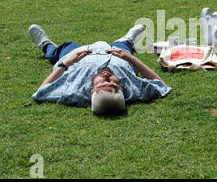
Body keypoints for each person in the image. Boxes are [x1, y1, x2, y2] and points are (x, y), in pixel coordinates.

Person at [29, 23, 171, 115]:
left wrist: (67, 63)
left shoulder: (72, 93)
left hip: (78, 55)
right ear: (122, 89)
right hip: (116, 54)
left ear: (91, 92)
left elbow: (41, 91)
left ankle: (45, 44)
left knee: (64, 47)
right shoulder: (133, 91)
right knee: (122, 46)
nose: (107, 77)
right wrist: (130, 58)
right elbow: (162, 85)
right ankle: (128, 39)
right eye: (114, 83)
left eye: (101, 83)